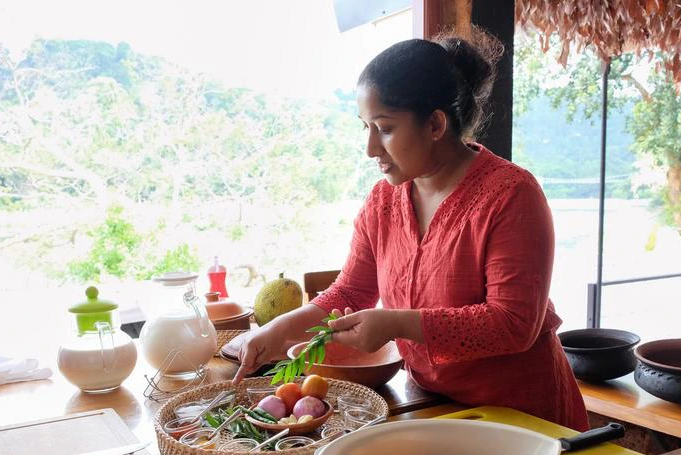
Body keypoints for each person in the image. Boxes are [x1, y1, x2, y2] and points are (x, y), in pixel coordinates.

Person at [233, 29, 588, 430]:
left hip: (525, 419)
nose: (370, 148)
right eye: (365, 127)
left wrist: (397, 323)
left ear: (435, 124)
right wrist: (275, 332)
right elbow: (351, 291)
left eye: (384, 128)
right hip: (436, 408)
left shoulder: (511, 195)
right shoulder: (384, 201)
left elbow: (513, 324)